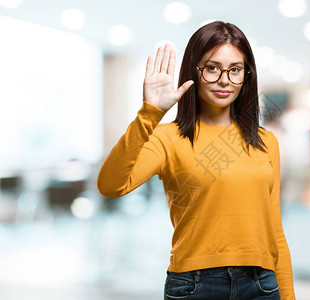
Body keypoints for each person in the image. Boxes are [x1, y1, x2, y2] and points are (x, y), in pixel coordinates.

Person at [97, 21, 296, 300]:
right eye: (212, 68)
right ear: (194, 71)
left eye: (235, 69)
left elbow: (275, 231)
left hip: (261, 284)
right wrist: (149, 113)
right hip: (195, 285)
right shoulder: (168, 138)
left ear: (246, 76)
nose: (224, 79)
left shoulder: (266, 141)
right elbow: (110, 185)